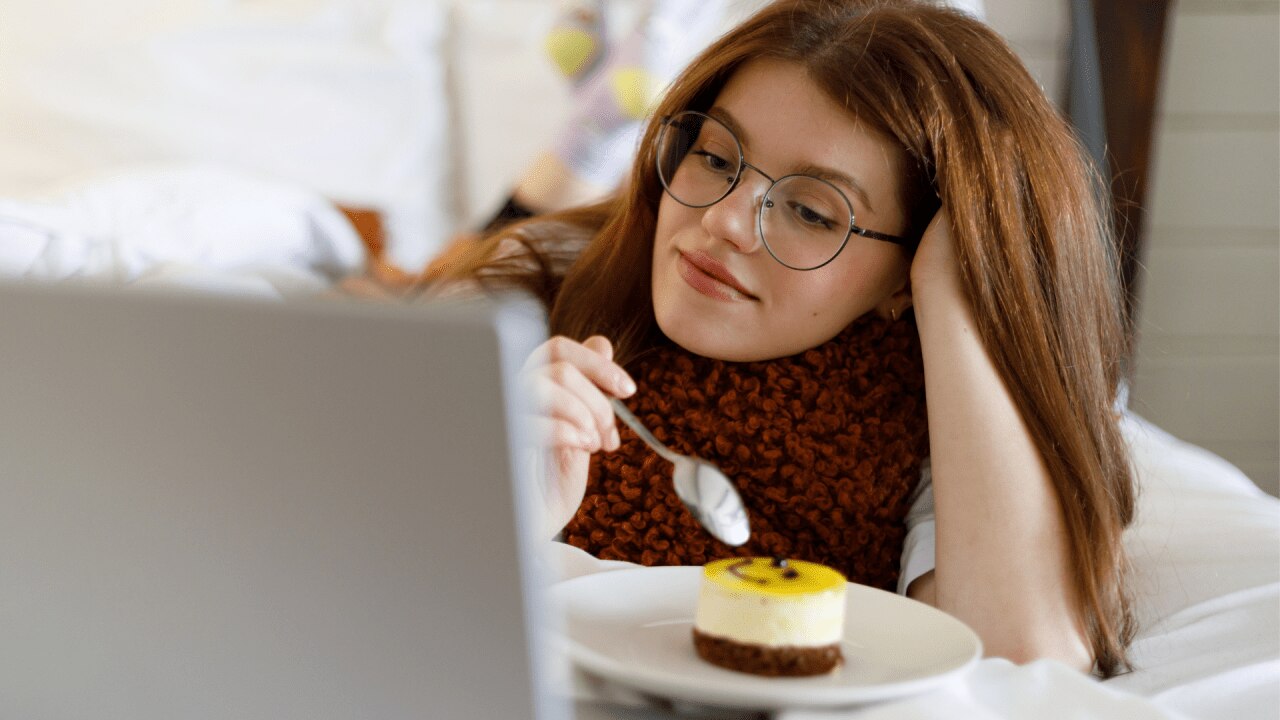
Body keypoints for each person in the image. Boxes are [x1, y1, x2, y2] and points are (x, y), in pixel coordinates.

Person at [418, 0, 1135, 677]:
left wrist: (958, 282)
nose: (726, 221)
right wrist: (507, 521)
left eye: (813, 212)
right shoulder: (525, 297)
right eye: (717, 158)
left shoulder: (925, 421)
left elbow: (1026, 660)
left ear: (904, 275)